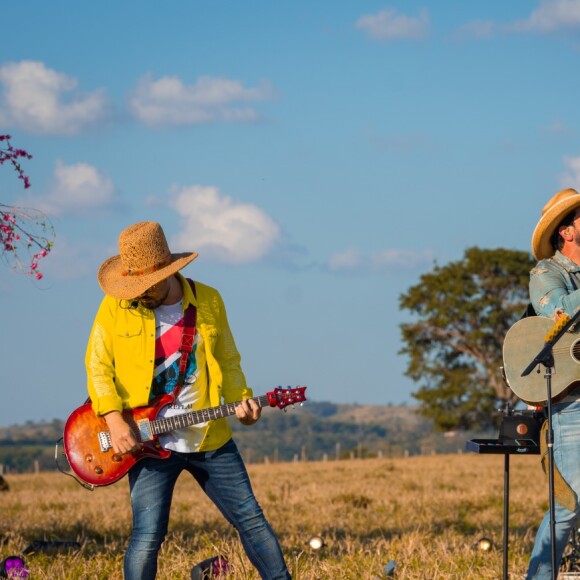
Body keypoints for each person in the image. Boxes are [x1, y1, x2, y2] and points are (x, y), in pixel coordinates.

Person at [85, 221, 291, 580]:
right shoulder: (115, 307)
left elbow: (228, 360)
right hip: (148, 441)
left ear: (167, 273)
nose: (137, 294)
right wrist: (116, 421)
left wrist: (244, 404)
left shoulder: (208, 301)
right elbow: (98, 366)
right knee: (147, 537)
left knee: (252, 520)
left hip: (210, 438)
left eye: (143, 286)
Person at [527, 188, 580, 578]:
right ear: (567, 231)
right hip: (572, 401)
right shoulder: (547, 274)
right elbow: (558, 313)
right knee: (570, 504)